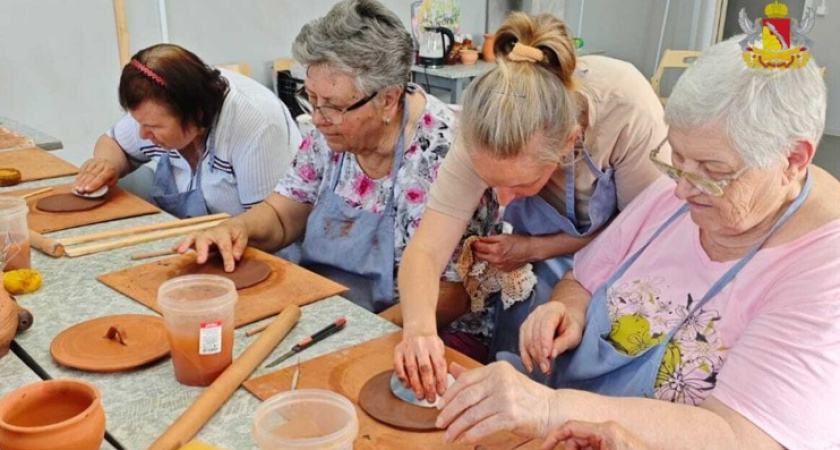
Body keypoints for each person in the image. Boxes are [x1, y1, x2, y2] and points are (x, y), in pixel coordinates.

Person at [435, 37, 840, 450]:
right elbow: (583, 279)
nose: (680, 190)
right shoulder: (677, 197)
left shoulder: (824, 276)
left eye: (711, 170)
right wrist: (566, 310)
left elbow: (741, 436)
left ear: (793, 160)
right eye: (677, 160)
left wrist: (549, 408)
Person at [395, 12, 668, 400]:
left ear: (570, 142)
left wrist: (539, 249)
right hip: (533, 274)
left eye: (522, 185)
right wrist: (419, 331)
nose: (504, 204)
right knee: (520, 382)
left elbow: (644, 235)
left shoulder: (626, 111)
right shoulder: (482, 127)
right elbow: (425, 250)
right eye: (494, 185)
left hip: (622, 267)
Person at [175, 0, 497, 323]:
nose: (316, 118)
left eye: (330, 105)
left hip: (419, 329)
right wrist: (236, 227)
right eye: (310, 98)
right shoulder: (331, 132)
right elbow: (282, 215)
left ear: (388, 99)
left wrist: (360, 333)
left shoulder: (442, 153)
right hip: (330, 311)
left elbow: (454, 293)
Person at [73, 43, 301, 218]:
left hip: (256, 254)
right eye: (138, 123)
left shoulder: (256, 125)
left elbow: (264, 227)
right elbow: (114, 143)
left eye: (152, 127)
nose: (142, 135)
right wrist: (106, 163)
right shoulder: (155, 104)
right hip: (187, 245)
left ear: (197, 115)